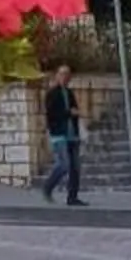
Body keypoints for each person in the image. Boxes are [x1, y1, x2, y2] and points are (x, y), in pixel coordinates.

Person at [38, 64, 84, 207]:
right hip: (59, 134)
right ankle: (47, 187)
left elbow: (75, 110)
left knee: (75, 167)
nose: (66, 77)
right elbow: (52, 114)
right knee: (64, 164)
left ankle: (72, 197)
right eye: (63, 74)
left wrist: (76, 119)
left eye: (68, 74)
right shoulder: (52, 94)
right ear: (57, 76)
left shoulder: (69, 93)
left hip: (72, 134)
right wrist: (69, 113)